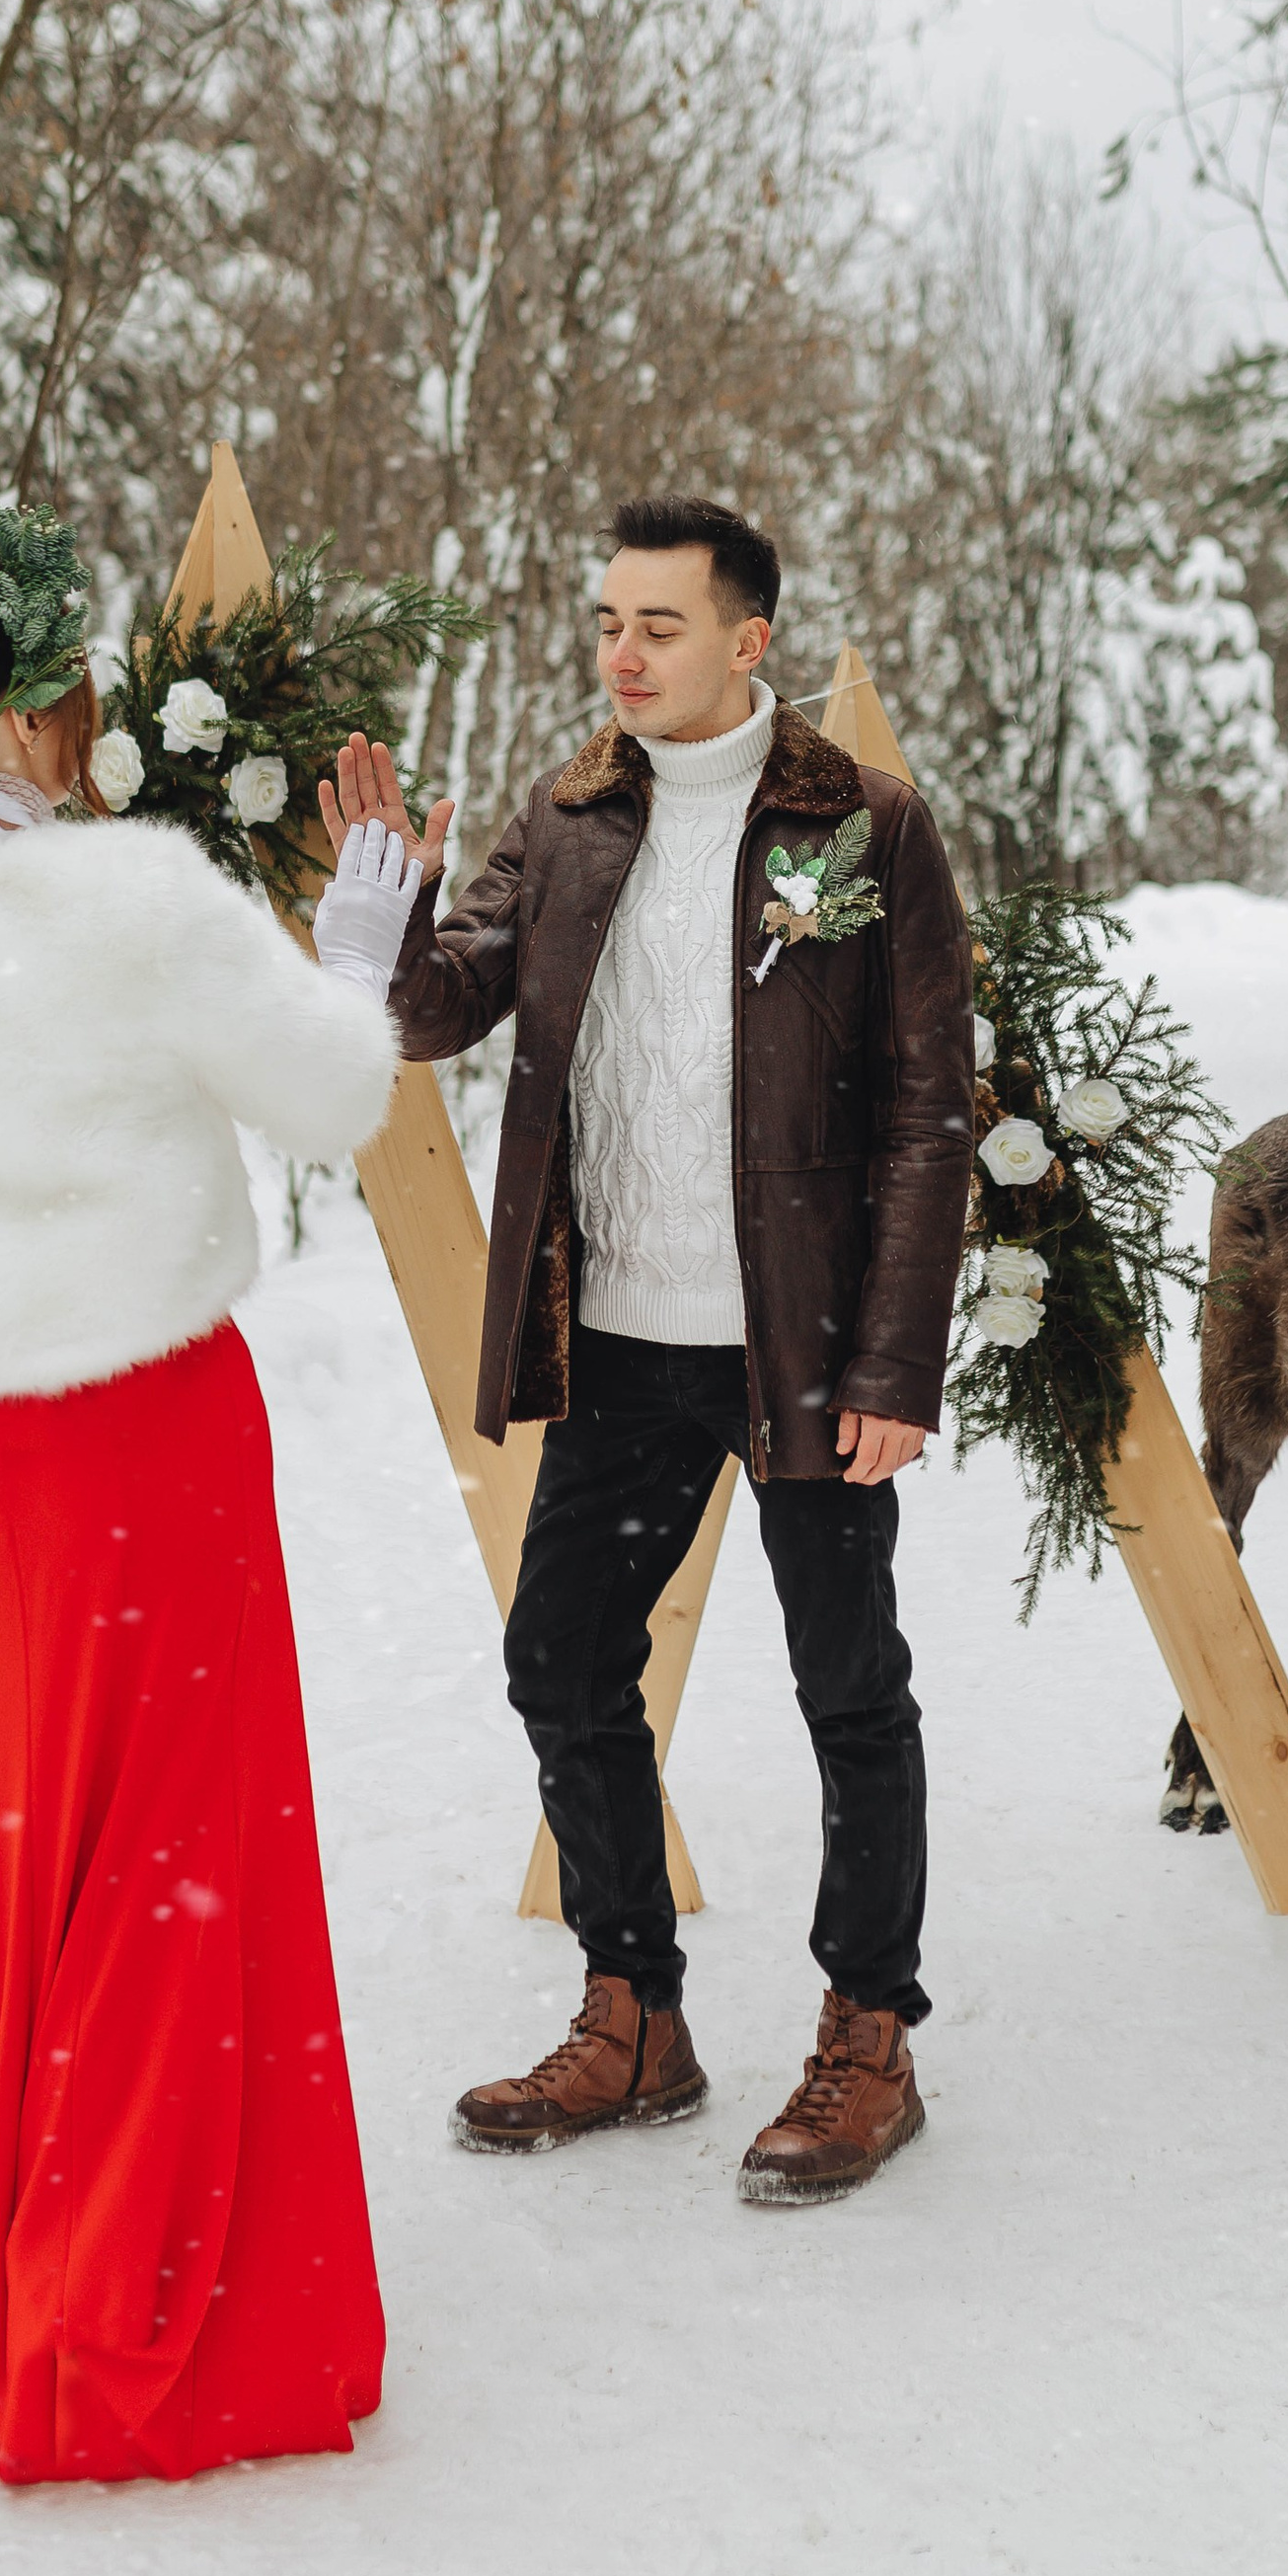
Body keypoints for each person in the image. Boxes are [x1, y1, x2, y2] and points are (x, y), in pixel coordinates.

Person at [0, 486, 420, 2483]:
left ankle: (30, 2273)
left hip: (6, 1467)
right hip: (158, 1436)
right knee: (183, 1868)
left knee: (56, 1862)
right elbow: (328, 1090)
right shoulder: (126, 903)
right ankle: (139, 2319)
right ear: (35, 718)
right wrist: (359, 929)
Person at [313, 494, 972, 2206]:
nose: (622, 650)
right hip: (616, 1340)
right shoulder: (571, 815)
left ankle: (866, 2035)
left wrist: (898, 1369)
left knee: (848, 1687)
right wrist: (384, 910)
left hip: (805, 1353)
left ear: (748, 642)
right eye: (609, 618)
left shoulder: (870, 830)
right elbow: (437, 1012)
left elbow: (924, 1114)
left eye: (659, 624)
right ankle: (634, 2013)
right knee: (562, 1663)